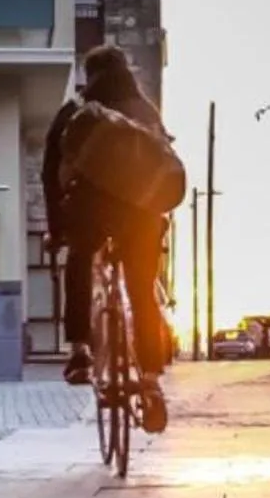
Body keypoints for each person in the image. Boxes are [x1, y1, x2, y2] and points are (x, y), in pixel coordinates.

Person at [42, 45, 178, 432]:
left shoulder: (75, 112)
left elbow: (51, 173)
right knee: (141, 292)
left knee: (81, 258)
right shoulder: (146, 112)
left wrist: (56, 230)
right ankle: (150, 381)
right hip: (141, 216)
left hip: (90, 212)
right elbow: (164, 168)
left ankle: (81, 349)